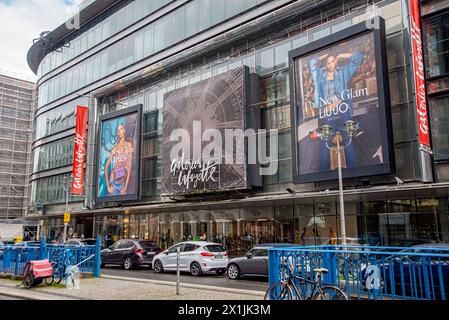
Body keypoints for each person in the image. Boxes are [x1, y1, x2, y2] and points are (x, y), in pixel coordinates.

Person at [308, 50, 365, 171]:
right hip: (329, 115)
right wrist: (323, 57)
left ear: (336, 62)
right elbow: (312, 63)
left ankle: (353, 174)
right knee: (325, 146)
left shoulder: (343, 72)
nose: (330, 65)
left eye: (333, 62)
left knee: (348, 144)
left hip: (343, 111)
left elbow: (359, 57)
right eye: (328, 63)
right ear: (325, 64)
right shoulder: (320, 75)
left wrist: (341, 55)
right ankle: (323, 178)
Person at [104, 122, 135, 196]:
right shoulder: (115, 148)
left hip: (122, 184)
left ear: (124, 130)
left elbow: (129, 168)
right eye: (118, 130)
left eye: (121, 129)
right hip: (113, 183)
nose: (119, 132)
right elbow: (106, 167)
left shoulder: (129, 145)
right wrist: (108, 187)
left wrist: (125, 187)